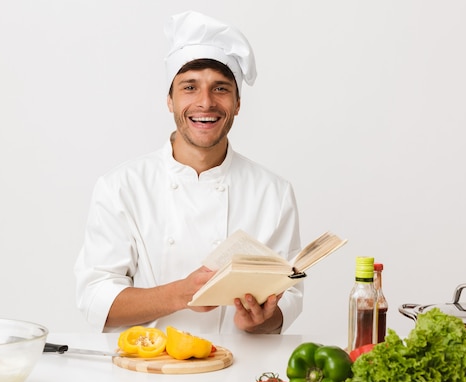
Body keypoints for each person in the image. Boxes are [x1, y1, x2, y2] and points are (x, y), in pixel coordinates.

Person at [74, 10, 303, 334]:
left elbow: (289, 294)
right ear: (170, 100)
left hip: (240, 370)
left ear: (238, 103)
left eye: (221, 88)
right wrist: (181, 294)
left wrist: (262, 320)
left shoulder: (273, 192)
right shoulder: (121, 187)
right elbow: (94, 299)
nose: (205, 102)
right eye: (190, 87)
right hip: (145, 370)